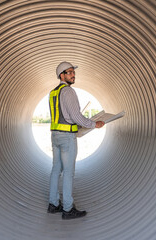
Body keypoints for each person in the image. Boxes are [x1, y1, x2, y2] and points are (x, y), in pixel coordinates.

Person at [47, 61, 105, 220]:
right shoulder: (68, 92)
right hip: (67, 138)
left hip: (55, 136)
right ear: (62, 75)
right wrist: (95, 124)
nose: (73, 75)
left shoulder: (53, 93)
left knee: (56, 169)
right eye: (70, 72)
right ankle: (67, 208)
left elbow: (61, 116)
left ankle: (53, 204)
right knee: (68, 173)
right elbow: (75, 116)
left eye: (73, 72)